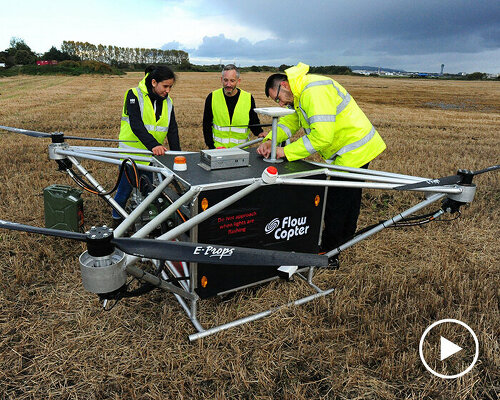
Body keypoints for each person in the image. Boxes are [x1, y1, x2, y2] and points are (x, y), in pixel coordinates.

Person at [257, 62, 386, 267]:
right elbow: (291, 123)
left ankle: (328, 254)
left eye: (277, 99)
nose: (280, 104)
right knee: (348, 199)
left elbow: (321, 137)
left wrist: (285, 152)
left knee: (338, 204)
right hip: (352, 150)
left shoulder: (312, 91)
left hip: (354, 149)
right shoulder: (300, 93)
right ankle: (342, 243)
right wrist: (271, 140)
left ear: (285, 85)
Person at [112, 65, 181, 226]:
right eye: (165, 86)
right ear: (154, 82)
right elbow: (136, 125)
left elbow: (172, 130)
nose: (168, 90)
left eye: (170, 87)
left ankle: (145, 223)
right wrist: (154, 145)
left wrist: (178, 154)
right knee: (124, 192)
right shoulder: (133, 95)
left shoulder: (168, 102)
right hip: (131, 156)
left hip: (151, 157)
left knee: (149, 193)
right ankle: (116, 223)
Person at [203, 64, 266, 149]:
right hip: (218, 149)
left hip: (241, 150)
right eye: (225, 80)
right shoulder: (212, 97)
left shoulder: (248, 98)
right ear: (221, 80)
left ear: (238, 81)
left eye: (232, 81)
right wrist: (212, 147)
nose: (228, 84)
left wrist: (260, 132)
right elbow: (206, 125)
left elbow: (253, 121)